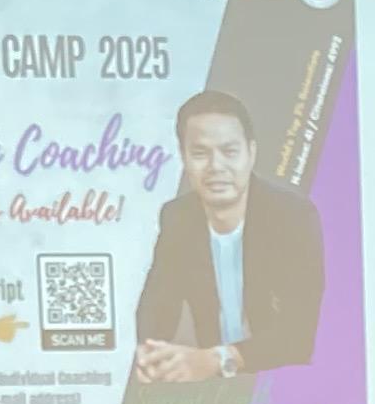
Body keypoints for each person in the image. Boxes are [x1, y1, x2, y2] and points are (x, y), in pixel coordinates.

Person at [132, 89, 324, 383]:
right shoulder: (178, 217)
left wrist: (217, 360)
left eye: (229, 152)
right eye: (200, 154)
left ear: (251, 153)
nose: (216, 167)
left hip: (282, 381)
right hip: (216, 390)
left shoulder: (293, 217)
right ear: (183, 157)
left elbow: (298, 334)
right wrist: (152, 354)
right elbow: (157, 305)